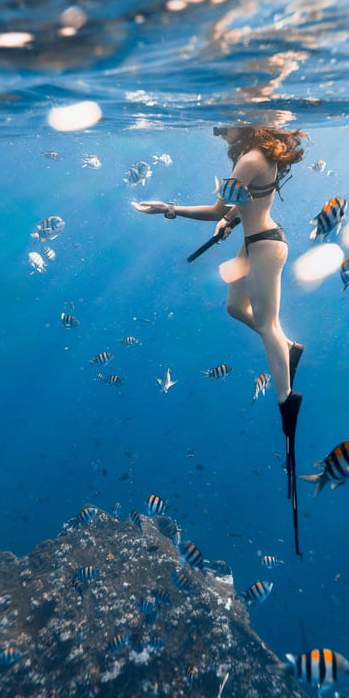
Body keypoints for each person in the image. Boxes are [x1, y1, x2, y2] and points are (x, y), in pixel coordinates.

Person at [132, 123, 308, 555]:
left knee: (267, 323)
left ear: (243, 128)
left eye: (224, 126)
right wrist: (234, 221)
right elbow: (245, 204)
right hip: (256, 241)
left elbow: (215, 210)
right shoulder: (255, 159)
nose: (218, 131)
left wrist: (167, 209)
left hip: (265, 246)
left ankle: (287, 402)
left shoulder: (249, 159)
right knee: (234, 308)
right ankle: (288, 349)